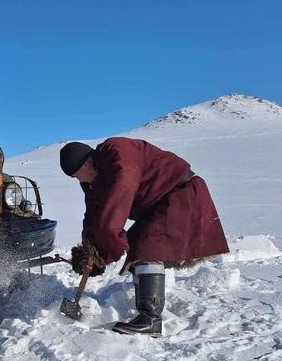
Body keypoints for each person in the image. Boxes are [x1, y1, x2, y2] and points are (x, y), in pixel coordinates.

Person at [60, 138, 229, 336]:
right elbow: (94, 214)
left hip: (180, 193)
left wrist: (102, 253)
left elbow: (118, 199)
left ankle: (150, 319)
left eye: (77, 176)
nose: (79, 181)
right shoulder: (93, 180)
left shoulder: (117, 153)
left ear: (87, 163)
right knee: (138, 246)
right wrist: (89, 246)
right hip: (158, 204)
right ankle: (146, 310)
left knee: (148, 246)